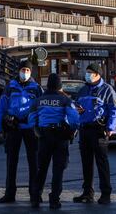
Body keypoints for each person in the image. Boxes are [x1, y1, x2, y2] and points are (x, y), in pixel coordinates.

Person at [0, 60, 43, 203]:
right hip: (13, 127)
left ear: (31, 72)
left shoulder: (36, 88)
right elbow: (1, 108)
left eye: (27, 70)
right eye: (23, 70)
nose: (25, 73)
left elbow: (41, 108)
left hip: (30, 128)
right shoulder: (10, 87)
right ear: (18, 71)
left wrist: (41, 127)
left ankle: (35, 193)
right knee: (11, 162)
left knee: (34, 162)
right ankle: (10, 193)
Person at [29, 74, 80, 209]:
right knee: (58, 170)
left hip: (44, 137)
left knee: (41, 169)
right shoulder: (65, 100)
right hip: (60, 137)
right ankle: (54, 200)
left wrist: (37, 131)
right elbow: (74, 119)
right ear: (59, 85)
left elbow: (31, 119)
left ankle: (35, 197)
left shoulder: (38, 101)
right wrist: (73, 131)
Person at [73, 63, 116, 205]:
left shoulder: (107, 90)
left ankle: (106, 194)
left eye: (90, 72)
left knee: (102, 163)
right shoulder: (82, 90)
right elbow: (75, 107)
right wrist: (77, 112)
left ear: (98, 75)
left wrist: (110, 128)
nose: (87, 75)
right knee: (86, 163)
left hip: (99, 130)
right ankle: (88, 193)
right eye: (86, 72)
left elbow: (114, 110)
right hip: (85, 129)